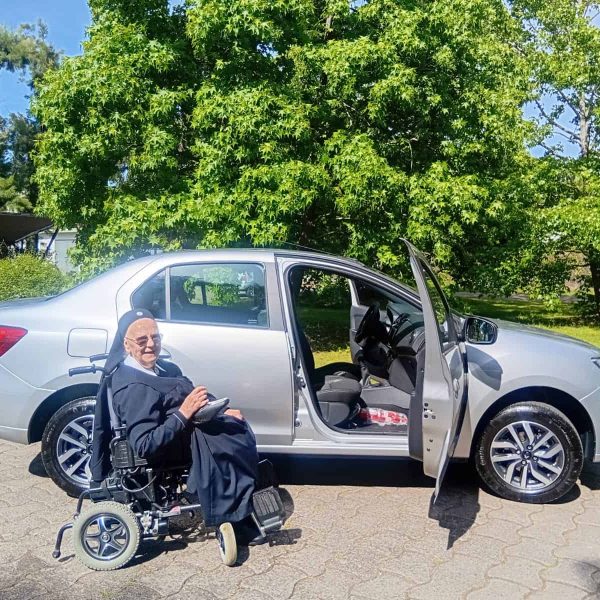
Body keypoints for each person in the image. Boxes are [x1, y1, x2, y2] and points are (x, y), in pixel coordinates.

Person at [90, 308, 263, 545]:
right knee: (227, 441)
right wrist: (184, 413)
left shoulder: (165, 368)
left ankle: (244, 500)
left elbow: (192, 394)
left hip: (184, 431)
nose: (151, 345)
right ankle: (233, 517)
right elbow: (144, 444)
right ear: (126, 345)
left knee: (236, 424)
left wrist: (221, 409)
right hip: (167, 447)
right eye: (142, 340)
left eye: (155, 337)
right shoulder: (133, 388)